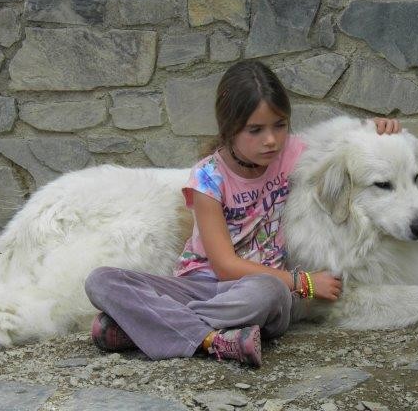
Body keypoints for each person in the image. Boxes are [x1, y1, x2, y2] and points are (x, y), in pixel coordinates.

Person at [84, 60, 401, 367]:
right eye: (255, 130)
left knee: (269, 291)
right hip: (203, 285)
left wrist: (375, 128)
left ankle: (139, 328)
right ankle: (212, 340)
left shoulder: (291, 154)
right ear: (230, 129)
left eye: (280, 125)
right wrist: (303, 281)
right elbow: (223, 266)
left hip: (262, 292)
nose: (271, 140)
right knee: (101, 281)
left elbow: (338, 141)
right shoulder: (207, 178)